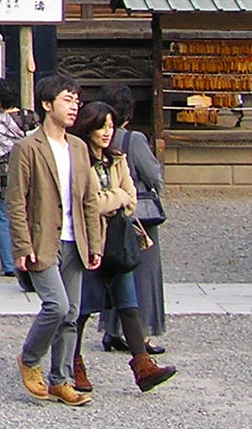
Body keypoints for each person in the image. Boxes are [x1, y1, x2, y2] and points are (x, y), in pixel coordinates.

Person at [66, 102, 176, 395]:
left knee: (129, 305)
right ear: (88, 128)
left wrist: (109, 198)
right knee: (84, 308)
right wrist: (112, 199)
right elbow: (90, 202)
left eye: (111, 126)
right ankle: (73, 362)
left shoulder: (117, 158)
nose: (107, 132)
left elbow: (130, 197)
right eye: (101, 126)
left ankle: (143, 365)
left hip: (116, 237)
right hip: (89, 240)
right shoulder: (78, 160)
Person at [6, 74, 102, 407]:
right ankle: (30, 359)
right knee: (56, 306)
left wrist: (95, 243)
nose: (74, 107)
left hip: (77, 242)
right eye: (67, 99)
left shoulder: (78, 147)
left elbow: (89, 198)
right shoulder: (26, 148)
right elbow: (16, 199)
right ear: (48, 105)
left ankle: (60, 379)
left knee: (72, 313)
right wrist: (21, 245)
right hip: (43, 240)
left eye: (77, 100)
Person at [97, 83, 166, 353]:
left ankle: (112, 330)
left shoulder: (91, 139)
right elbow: (153, 177)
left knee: (114, 270)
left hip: (105, 215)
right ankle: (142, 335)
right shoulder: (132, 139)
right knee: (143, 272)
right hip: (135, 215)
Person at [0, 77, 33, 277]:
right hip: (31, 171)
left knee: (5, 218)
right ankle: (31, 257)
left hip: (6, 173)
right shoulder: (32, 118)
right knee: (30, 215)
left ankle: (9, 265)